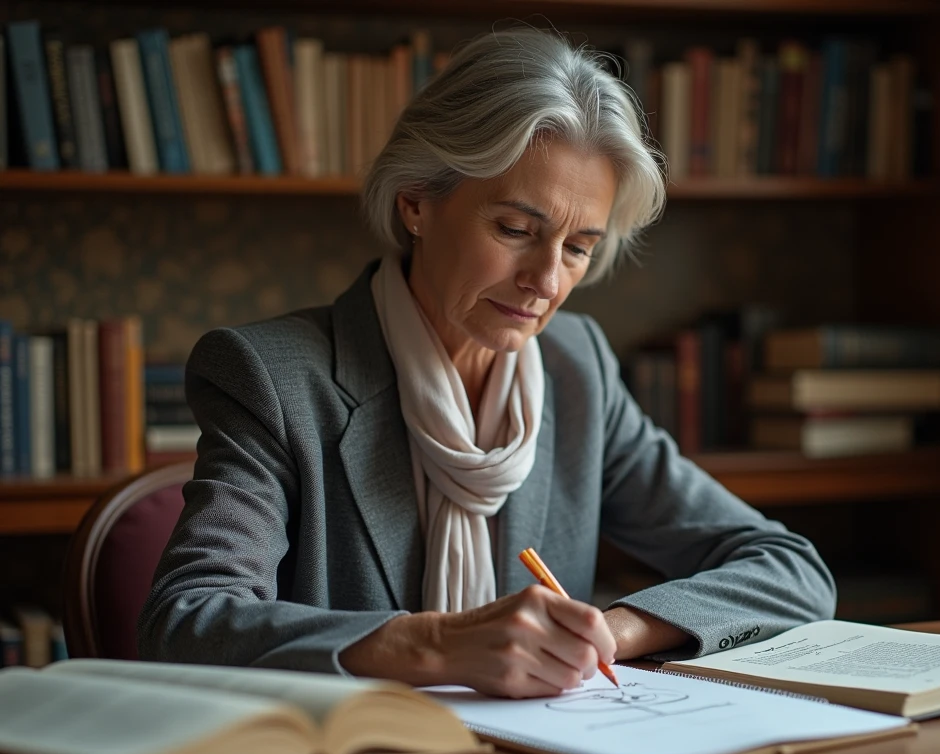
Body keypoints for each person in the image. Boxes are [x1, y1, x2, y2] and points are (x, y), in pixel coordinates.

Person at [138, 28, 836, 698]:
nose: (546, 281)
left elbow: (789, 570)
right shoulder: (271, 376)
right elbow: (186, 623)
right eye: (515, 229)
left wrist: (612, 633)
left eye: (578, 247)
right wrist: (437, 644)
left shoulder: (577, 370)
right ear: (416, 203)